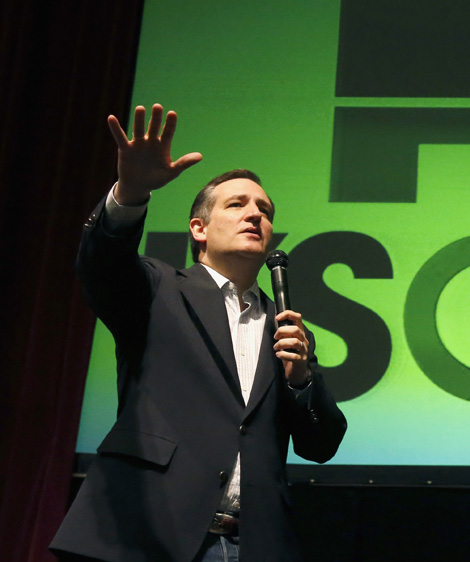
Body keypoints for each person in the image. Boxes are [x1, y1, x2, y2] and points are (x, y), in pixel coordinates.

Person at [51, 104, 347, 562]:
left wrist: (301, 381)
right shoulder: (158, 288)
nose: (255, 215)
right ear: (199, 229)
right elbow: (101, 265)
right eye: (237, 204)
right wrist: (131, 192)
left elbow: (321, 445)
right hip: (147, 534)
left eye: (265, 210)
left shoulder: (285, 327)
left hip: (252, 544)